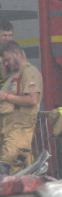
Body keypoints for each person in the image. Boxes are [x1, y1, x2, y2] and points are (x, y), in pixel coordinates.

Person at [0, 41, 43, 173]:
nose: (6, 64)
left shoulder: (30, 73)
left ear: (17, 54)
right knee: (20, 173)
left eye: (8, 60)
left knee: (5, 167)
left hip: (20, 130)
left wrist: (6, 97)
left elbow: (32, 99)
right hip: (7, 128)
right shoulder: (12, 76)